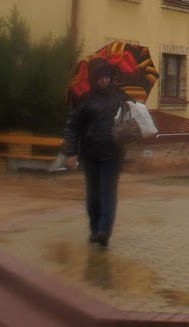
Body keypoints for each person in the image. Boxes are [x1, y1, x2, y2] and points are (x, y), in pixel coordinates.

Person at [62, 58, 125, 246]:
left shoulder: (119, 97)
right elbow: (73, 127)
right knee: (93, 194)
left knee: (108, 192)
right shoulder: (85, 100)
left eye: (107, 77)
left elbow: (132, 117)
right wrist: (71, 152)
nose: (104, 80)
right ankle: (95, 229)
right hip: (90, 154)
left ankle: (104, 231)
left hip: (113, 154)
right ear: (94, 79)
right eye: (101, 77)